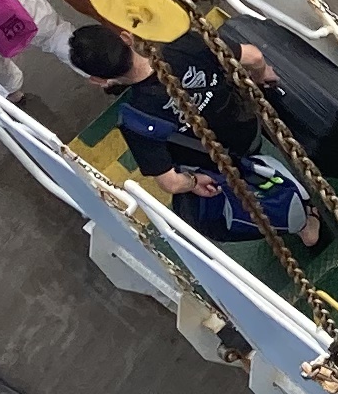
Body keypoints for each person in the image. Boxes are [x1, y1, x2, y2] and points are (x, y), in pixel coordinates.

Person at [63, 19, 314, 245]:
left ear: (98, 80)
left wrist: (193, 182)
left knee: (194, 209)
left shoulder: (135, 120)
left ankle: (298, 223)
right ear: (126, 38)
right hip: (248, 129)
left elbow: (170, 183)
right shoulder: (183, 44)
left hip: (217, 168)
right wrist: (261, 77)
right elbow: (254, 57)